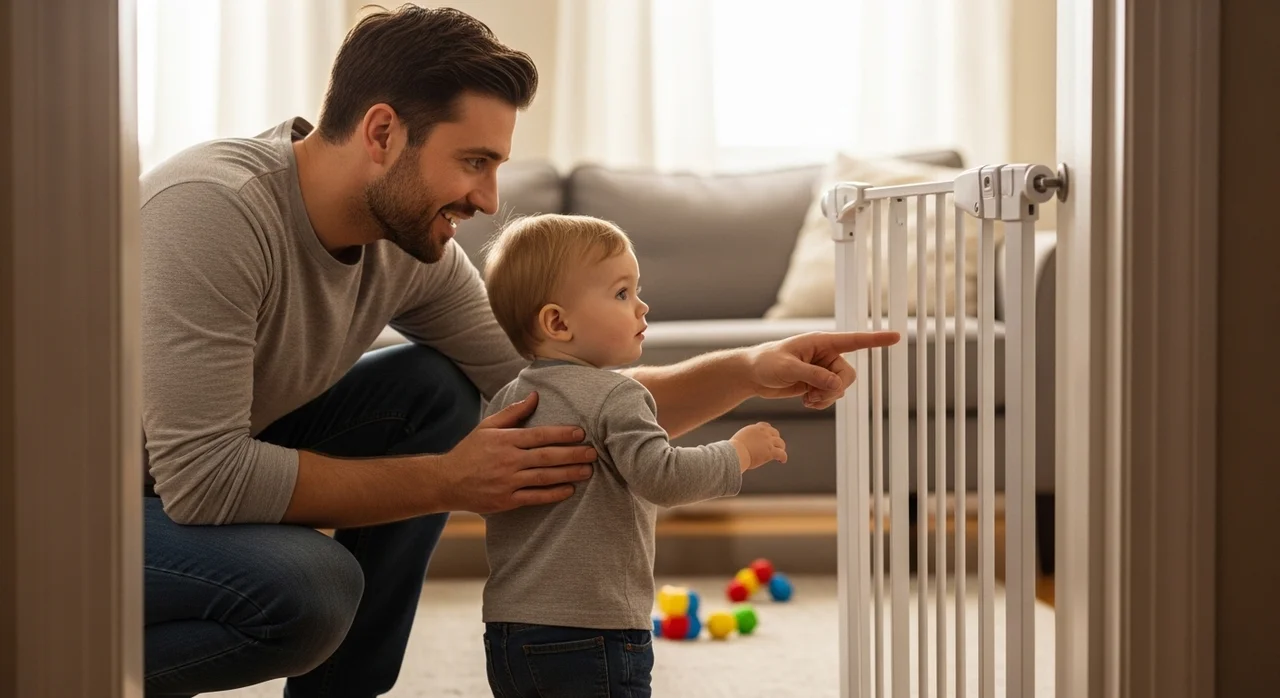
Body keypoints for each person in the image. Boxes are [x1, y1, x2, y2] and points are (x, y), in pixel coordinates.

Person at [139, 5, 900, 697]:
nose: (491, 200)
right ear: (381, 134)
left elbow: (579, 397)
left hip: (180, 476)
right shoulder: (216, 214)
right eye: (475, 161)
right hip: (77, 509)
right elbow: (203, 481)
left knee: (432, 389)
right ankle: (48, 659)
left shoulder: (410, 249)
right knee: (309, 592)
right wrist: (446, 481)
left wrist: (749, 370)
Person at [478, 213, 790, 697]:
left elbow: (487, 493)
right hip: (592, 630)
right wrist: (738, 454)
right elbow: (662, 477)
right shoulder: (617, 396)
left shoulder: (506, 401)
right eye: (622, 293)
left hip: (507, 629)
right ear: (558, 322)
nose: (642, 306)